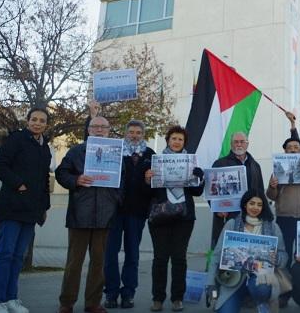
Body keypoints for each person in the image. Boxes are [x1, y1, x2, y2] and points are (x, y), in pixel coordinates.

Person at [0, 108, 52, 313]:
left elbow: (44, 180)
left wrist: (44, 206)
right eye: (34, 119)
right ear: (28, 121)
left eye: (42, 120)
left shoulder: (45, 148)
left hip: (31, 210)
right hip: (12, 207)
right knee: (5, 254)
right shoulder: (16, 140)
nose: (37, 123)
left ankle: (10, 299)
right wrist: (18, 184)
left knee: (18, 256)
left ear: (46, 124)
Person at [56, 116, 122, 313]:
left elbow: (123, 181)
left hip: (105, 215)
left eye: (104, 127)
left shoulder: (117, 153)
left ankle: (93, 303)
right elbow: (61, 173)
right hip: (80, 215)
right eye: (95, 127)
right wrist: (76, 180)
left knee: (99, 263)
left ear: (109, 130)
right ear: (89, 130)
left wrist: (115, 200)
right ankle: (67, 302)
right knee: (74, 263)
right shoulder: (76, 151)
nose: (100, 130)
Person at [144, 125, 205, 312]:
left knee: (179, 258)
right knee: (160, 258)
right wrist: (147, 180)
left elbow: (196, 192)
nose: (177, 142)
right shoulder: (155, 162)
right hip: (160, 215)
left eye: (180, 139)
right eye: (174, 138)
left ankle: (177, 298)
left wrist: (199, 178)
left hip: (184, 217)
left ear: (184, 142)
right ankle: (158, 298)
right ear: (168, 141)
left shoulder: (191, 162)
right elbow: (147, 192)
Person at [267, 112, 300, 307]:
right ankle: (285, 292)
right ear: (285, 152)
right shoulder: (277, 169)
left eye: (296, 147)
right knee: (285, 256)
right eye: (289, 148)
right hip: (285, 218)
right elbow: (270, 196)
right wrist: (273, 186)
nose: (293, 150)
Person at [206, 190, 288, 313]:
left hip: (261, 279)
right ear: (245, 205)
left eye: (259, 205)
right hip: (234, 280)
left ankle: (261, 303)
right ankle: (240, 299)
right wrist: (210, 283)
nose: (255, 207)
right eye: (252, 203)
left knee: (260, 288)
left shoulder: (272, 227)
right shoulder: (232, 224)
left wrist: (277, 258)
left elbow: (283, 255)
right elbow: (217, 255)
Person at [103, 120, 156, 309]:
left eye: (138, 132)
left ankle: (128, 293)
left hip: (137, 212)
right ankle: (110, 293)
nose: (134, 135)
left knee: (132, 254)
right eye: (131, 132)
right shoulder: (115, 151)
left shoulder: (151, 155)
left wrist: (149, 181)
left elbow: (154, 189)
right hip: (114, 211)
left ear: (143, 134)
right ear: (126, 133)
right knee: (110, 253)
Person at [210, 132, 265, 249]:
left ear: (247, 144)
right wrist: (217, 209)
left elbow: (260, 192)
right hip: (227, 216)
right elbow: (211, 190)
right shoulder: (220, 163)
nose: (239, 144)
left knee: (248, 250)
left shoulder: (255, 165)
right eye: (236, 142)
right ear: (231, 144)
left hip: (250, 218)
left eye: (242, 142)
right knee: (226, 251)